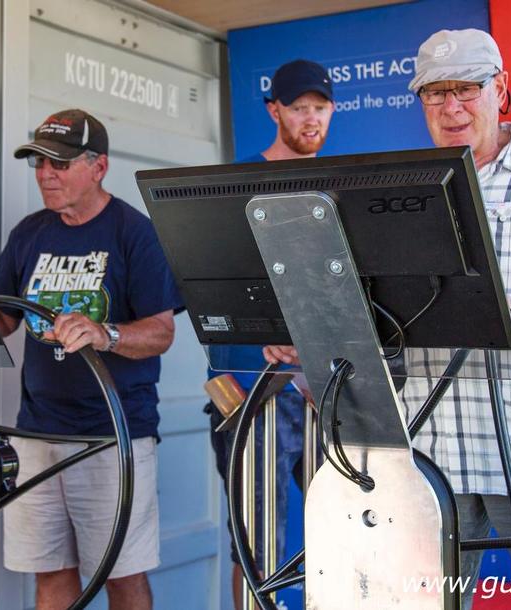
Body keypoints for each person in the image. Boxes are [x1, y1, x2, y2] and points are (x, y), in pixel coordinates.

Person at [265, 30, 511, 610]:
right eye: (435, 95)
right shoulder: (398, 186)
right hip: (431, 454)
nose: (451, 108)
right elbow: (374, 306)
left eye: (466, 89)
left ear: (500, 90)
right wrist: (317, 333)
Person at [0, 109, 183, 610]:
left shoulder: (135, 233)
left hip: (112, 437)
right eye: (39, 164)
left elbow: (161, 333)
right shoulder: (30, 233)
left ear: (99, 167)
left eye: (60, 164)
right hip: (38, 432)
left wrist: (105, 333)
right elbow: (1, 318)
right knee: (51, 576)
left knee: (122, 577)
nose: (45, 175)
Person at [207, 58, 335, 610]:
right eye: (299, 108)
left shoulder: (337, 187)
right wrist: (266, 336)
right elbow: (208, 288)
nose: (311, 119)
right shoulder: (233, 187)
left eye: (320, 108)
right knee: (255, 548)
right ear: (273, 110)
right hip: (251, 391)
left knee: (345, 534)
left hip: (323, 393)